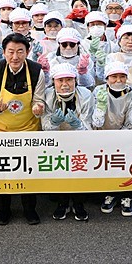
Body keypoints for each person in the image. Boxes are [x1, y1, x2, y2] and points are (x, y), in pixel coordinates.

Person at [0, 33, 46, 226]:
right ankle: (4, 210)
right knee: (3, 170)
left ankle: (30, 209)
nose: (15, 56)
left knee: (29, 169)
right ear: (3, 52)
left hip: (28, 129)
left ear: (27, 52)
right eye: (10, 52)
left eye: (20, 51)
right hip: (0, 130)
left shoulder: (37, 71)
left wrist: (38, 108)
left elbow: (39, 99)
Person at [93, 62, 132, 217]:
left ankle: (127, 196)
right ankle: (110, 193)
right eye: (114, 77)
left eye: (122, 76)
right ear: (106, 78)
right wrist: (100, 107)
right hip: (102, 135)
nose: (118, 80)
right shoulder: (99, 91)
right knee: (107, 165)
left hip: (126, 136)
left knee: (126, 165)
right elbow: (95, 122)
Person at [42, 63, 94, 221]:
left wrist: (77, 125)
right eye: (60, 80)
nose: (65, 84)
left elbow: (88, 127)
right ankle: (62, 203)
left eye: (69, 80)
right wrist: (54, 123)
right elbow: (45, 126)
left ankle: (79, 204)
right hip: (56, 141)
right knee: (60, 170)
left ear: (76, 80)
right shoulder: (47, 95)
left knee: (79, 170)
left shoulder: (85, 95)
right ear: (53, 82)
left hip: (80, 141)